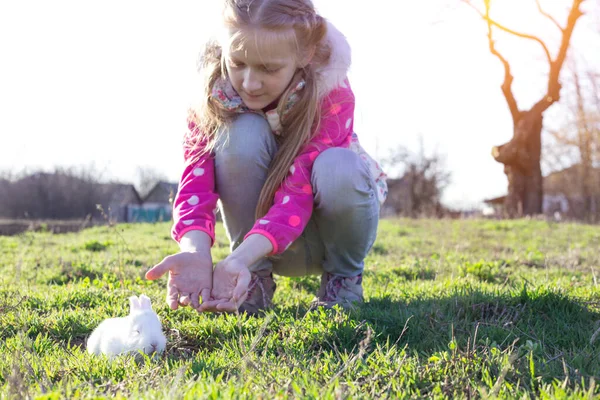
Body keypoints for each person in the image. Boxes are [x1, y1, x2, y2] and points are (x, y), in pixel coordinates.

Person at [145, 0, 387, 315]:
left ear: (305, 56)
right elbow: (196, 182)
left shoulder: (331, 92)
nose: (249, 83)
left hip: (326, 238)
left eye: (268, 69)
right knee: (240, 133)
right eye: (238, 62)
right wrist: (197, 251)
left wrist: (238, 257)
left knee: (338, 165)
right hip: (256, 250)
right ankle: (253, 282)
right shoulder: (212, 94)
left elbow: (298, 190)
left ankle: (342, 281)